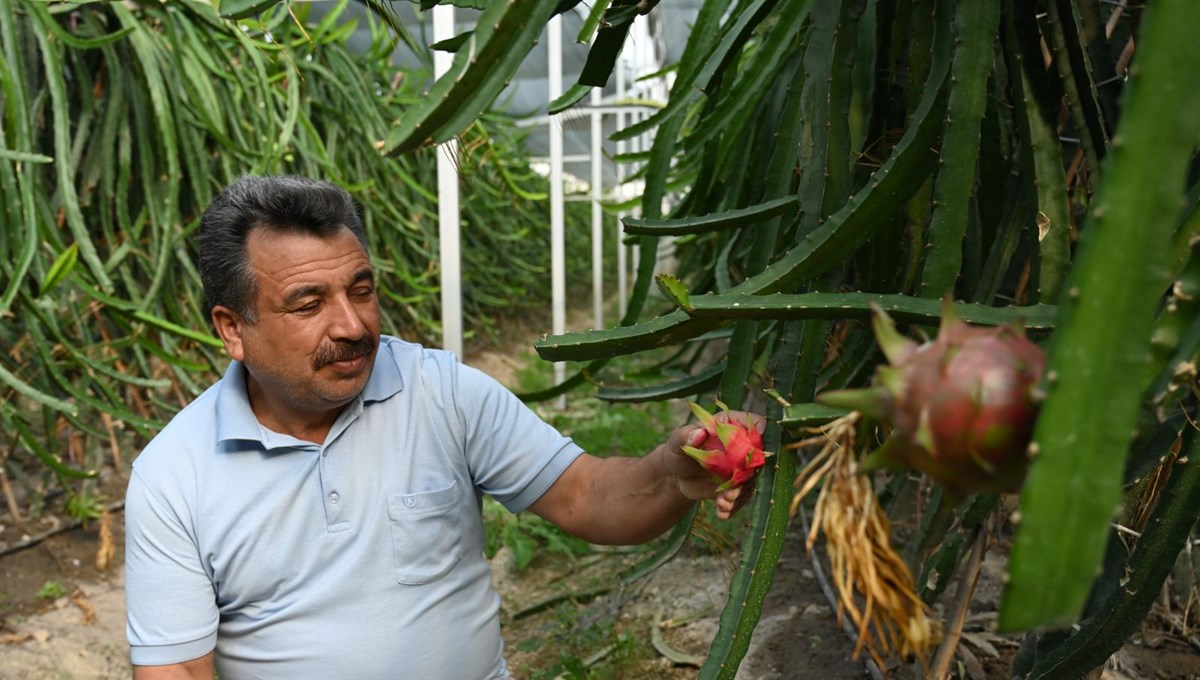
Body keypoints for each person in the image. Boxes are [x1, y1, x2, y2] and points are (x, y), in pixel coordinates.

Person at [124, 175, 758, 679]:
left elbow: (586, 497)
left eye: (362, 289)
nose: (352, 324)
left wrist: (672, 474)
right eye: (309, 303)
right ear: (233, 328)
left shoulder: (443, 392)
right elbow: (174, 666)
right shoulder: (174, 474)